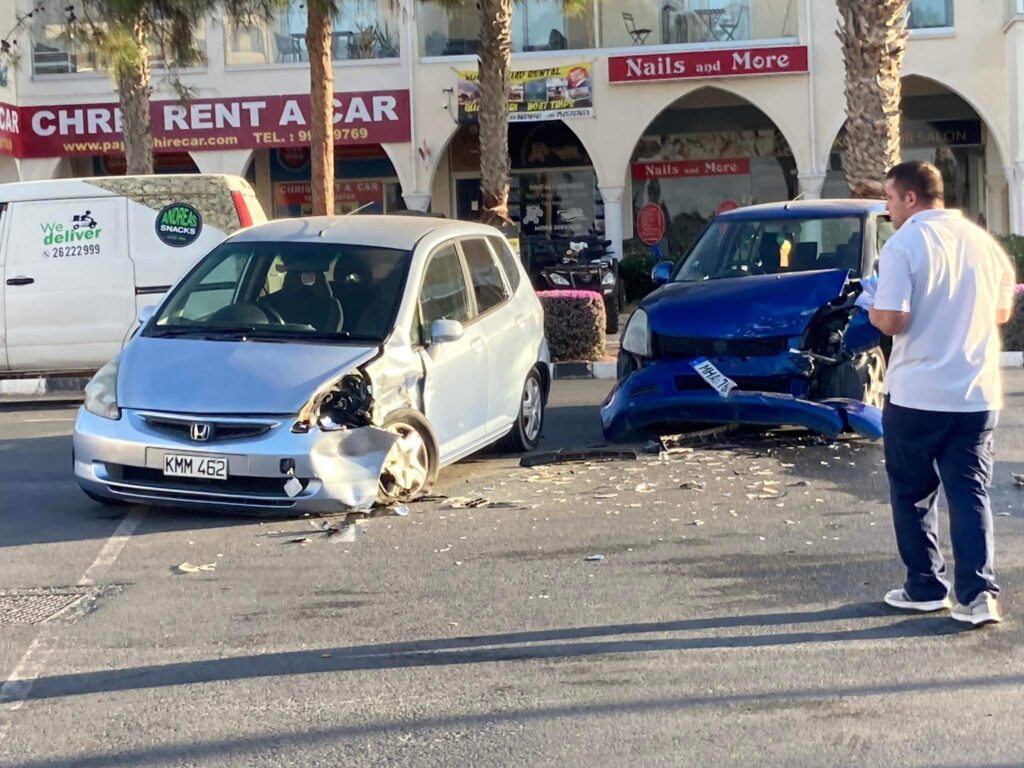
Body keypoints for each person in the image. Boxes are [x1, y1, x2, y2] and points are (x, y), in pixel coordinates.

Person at [869, 161, 1016, 626]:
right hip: (976, 393)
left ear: (911, 198)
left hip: (917, 394)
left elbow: (893, 320)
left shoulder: (903, 245)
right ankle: (978, 596)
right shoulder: (983, 242)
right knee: (970, 492)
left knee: (913, 494)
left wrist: (871, 307)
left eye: (890, 199)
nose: (887, 208)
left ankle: (927, 587)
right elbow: (1002, 312)